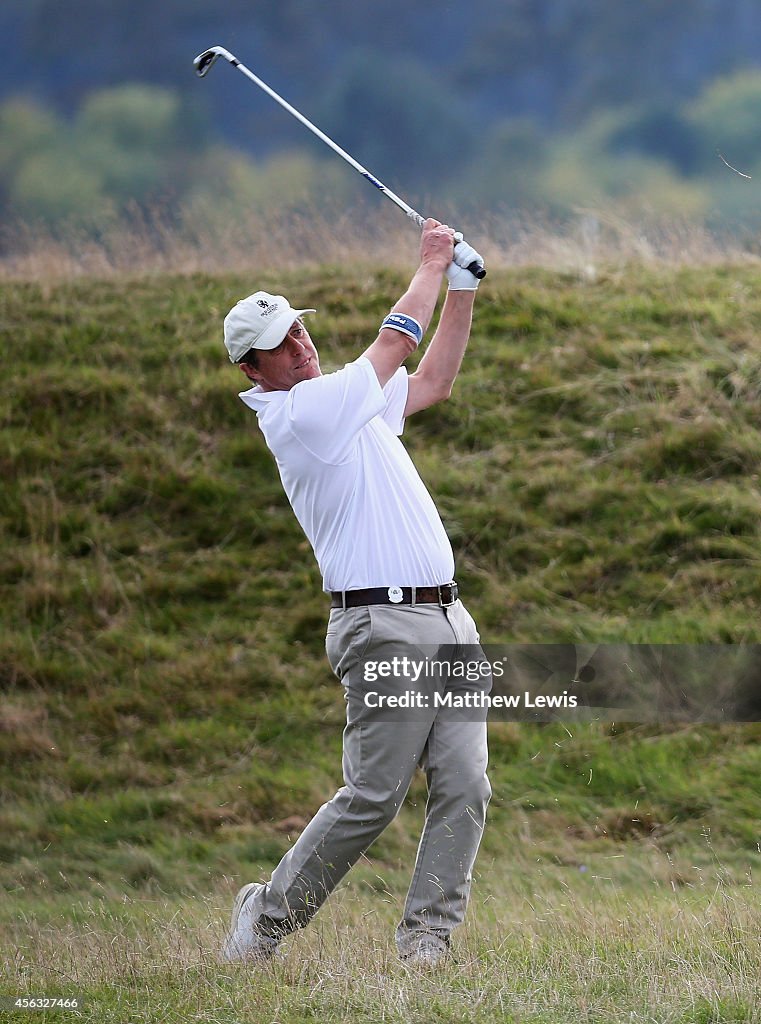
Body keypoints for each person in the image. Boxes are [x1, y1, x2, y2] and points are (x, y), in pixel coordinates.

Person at [219, 219, 491, 968]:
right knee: (373, 798)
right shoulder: (302, 414)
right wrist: (431, 265)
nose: (301, 346)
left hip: (447, 615)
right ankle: (267, 918)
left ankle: (425, 940)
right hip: (380, 621)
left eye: (300, 332)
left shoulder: (345, 398)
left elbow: (431, 380)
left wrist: (461, 286)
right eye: (282, 344)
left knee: (466, 785)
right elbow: (398, 341)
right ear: (253, 369)